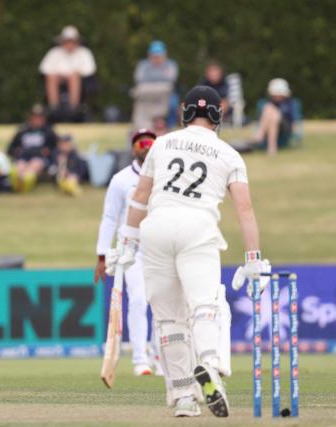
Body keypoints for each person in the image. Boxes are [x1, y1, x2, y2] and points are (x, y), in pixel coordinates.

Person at [113, 86, 270, 417]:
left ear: (184, 112)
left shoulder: (162, 143)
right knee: (206, 305)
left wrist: (126, 242)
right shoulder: (228, 154)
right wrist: (254, 260)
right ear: (218, 115)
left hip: (156, 228)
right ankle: (210, 365)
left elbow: (140, 195)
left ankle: (184, 396)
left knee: (169, 318)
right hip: (197, 228)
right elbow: (245, 209)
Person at [94, 129, 162, 377]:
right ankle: (140, 359)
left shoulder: (165, 175)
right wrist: (102, 254)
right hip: (131, 249)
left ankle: (158, 355)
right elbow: (110, 218)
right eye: (140, 143)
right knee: (137, 299)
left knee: (162, 303)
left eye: (150, 143)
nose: (145, 147)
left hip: (160, 247)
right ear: (134, 148)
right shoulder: (121, 179)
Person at [39, 25, 96, 113]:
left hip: (80, 82)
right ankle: (53, 108)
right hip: (58, 80)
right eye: (67, 41)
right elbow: (44, 69)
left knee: (74, 76)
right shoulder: (54, 52)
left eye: (72, 41)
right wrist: (61, 77)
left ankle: (73, 108)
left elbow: (89, 70)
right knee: (51, 77)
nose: (69, 44)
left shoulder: (84, 53)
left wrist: (71, 76)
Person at [7, 104, 57, 192]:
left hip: (40, 159)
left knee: (35, 164)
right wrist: (17, 151)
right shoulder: (22, 131)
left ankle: (25, 187)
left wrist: (49, 154)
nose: (37, 120)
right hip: (23, 158)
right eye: (35, 117)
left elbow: (55, 148)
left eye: (39, 117)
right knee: (20, 165)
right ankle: (17, 187)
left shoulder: (49, 132)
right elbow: (10, 149)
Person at [131, 40, 179, 130]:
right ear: (150, 55)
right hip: (145, 99)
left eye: (159, 56)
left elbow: (170, 81)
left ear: (164, 55)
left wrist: (151, 84)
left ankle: (169, 126)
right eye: (154, 56)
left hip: (164, 97)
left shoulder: (170, 65)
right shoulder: (143, 65)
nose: (157, 59)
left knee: (173, 103)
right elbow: (139, 80)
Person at [253, 78, 301, 155]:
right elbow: (258, 119)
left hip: (285, 129)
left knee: (272, 112)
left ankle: (259, 137)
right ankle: (272, 147)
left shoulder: (291, 104)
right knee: (269, 109)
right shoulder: (265, 103)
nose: (277, 95)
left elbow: (294, 122)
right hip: (267, 128)